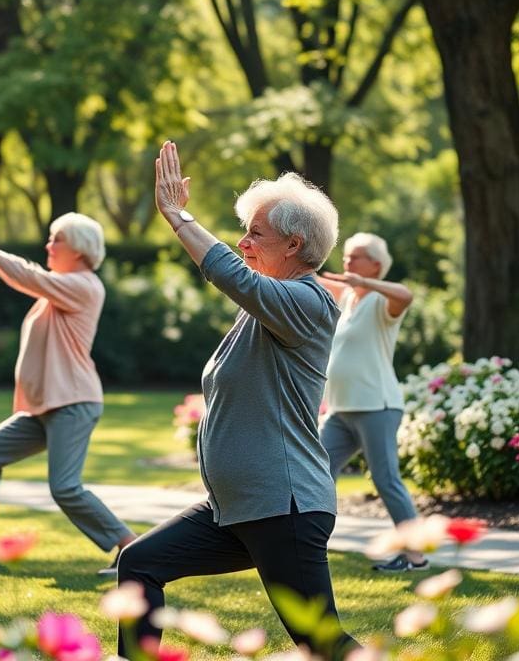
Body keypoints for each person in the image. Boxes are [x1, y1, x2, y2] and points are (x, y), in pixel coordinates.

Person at [116, 141, 358, 660]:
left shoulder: (307, 302)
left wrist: (179, 218)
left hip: (283, 506)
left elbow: (231, 274)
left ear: (294, 245)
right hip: (237, 508)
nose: (244, 242)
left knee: (322, 642)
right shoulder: (264, 309)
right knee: (139, 564)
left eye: (256, 233)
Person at [0, 211, 136, 573]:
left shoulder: (84, 285)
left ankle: (131, 547)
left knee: (65, 487)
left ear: (81, 250)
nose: (48, 245)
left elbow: (28, 276)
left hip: (73, 403)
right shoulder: (59, 287)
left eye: (57, 240)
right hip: (45, 407)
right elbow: (33, 278)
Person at [317, 232, 425, 572]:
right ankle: (307, 543)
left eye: (357, 256)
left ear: (376, 264)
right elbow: (309, 278)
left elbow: (406, 295)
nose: (348, 262)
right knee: (314, 469)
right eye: (347, 256)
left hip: (377, 406)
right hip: (340, 410)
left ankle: (416, 558)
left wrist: (364, 282)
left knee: (385, 479)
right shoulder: (348, 299)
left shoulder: (382, 302)